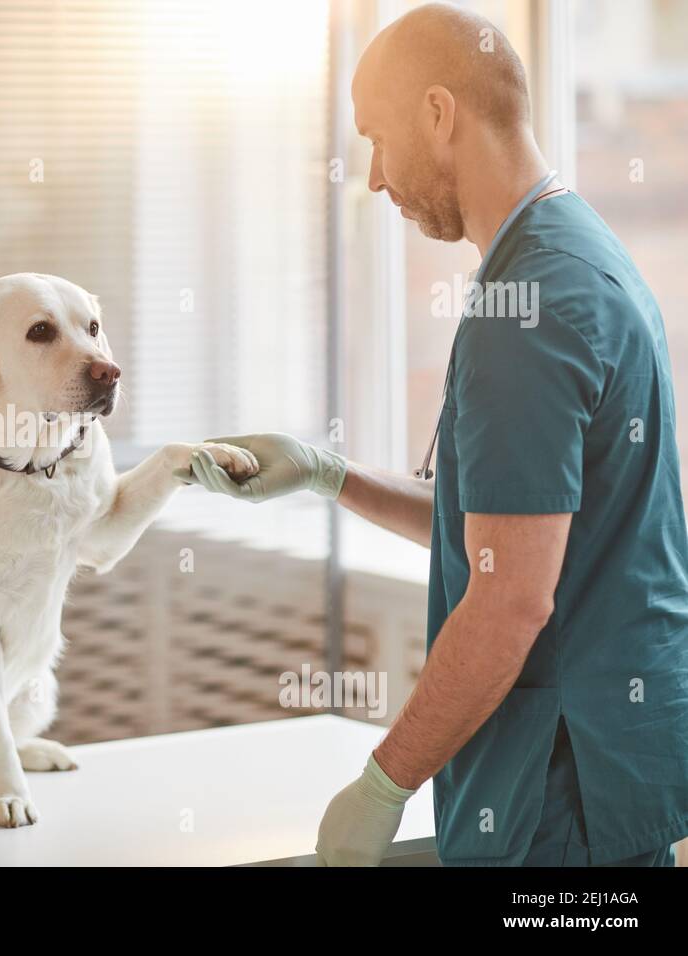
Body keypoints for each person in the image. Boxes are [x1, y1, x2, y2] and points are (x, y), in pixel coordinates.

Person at [185, 2, 688, 866]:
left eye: (377, 139)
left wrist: (384, 783)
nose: (374, 178)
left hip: (561, 791)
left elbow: (509, 601)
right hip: (606, 768)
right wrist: (325, 472)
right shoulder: (571, 252)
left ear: (438, 112)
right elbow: (500, 532)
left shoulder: (524, 310)